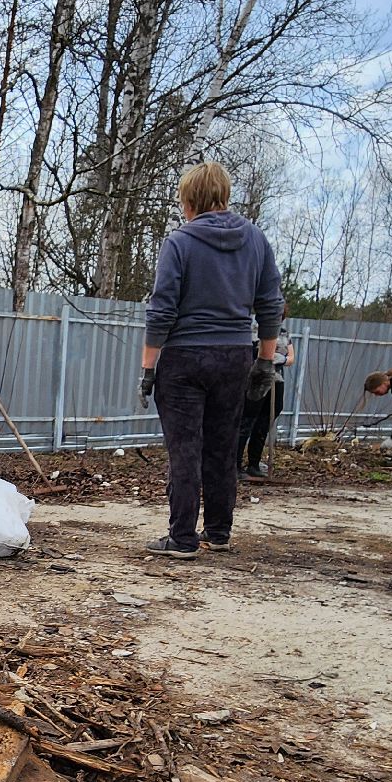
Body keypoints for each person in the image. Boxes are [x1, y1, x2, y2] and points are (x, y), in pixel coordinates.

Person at [140, 161, 283, 558]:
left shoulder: (180, 243)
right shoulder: (256, 240)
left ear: (190, 201)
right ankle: (218, 532)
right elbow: (270, 305)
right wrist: (265, 362)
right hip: (235, 356)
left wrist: (148, 368)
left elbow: (162, 310)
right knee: (222, 445)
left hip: (184, 359)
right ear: (225, 195)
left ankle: (182, 538)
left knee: (185, 447)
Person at [237, 317, 294, 480]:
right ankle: (235, 464)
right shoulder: (252, 330)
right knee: (247, 421)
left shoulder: (284, 333)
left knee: (265, 421)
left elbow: (291, 357)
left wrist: (282, 359)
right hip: (255, 380)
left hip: (276, 380)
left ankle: (253, 465)